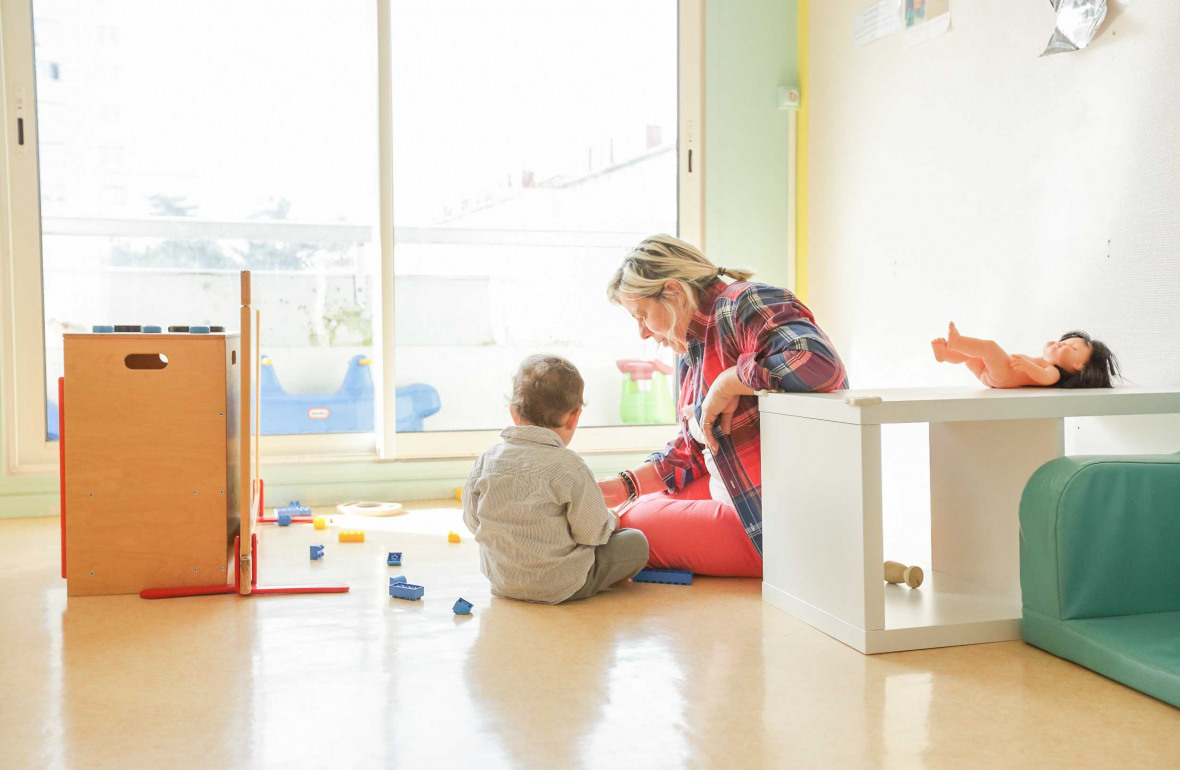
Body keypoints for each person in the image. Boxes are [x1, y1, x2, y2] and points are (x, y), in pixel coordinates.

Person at [598, 234, 849, 577]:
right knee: (629, 505)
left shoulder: (743, 303)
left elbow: (818, 364)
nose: (642, 332)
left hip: (775, 523)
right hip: (737, 492)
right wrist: (623, 485)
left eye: (642, 315)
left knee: (628, 525)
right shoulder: (692, 351)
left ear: (671, 292)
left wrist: (729, 382)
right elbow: (690, 453)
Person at [462, 354, 649, 603]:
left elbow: (472, 520)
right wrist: (611, 520)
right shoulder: (570, 467)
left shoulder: (487, 460)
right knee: (636, 543)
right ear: (574, 418)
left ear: (513, 413)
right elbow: (591, 534)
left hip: (502, 580)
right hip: (562, 584)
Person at [931, 323, 1120, 388]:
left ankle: (957, 342)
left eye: (1072, 347)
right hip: (992, 376)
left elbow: (1044, 378)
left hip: (1004, 376)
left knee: (990, 347)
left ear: (1078, 365)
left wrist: (1029, 367)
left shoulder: (1054, 372)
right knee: (971, 356)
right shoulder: (1046, 362)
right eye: (1065, 340)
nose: (1062, 343)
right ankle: (947, 355)